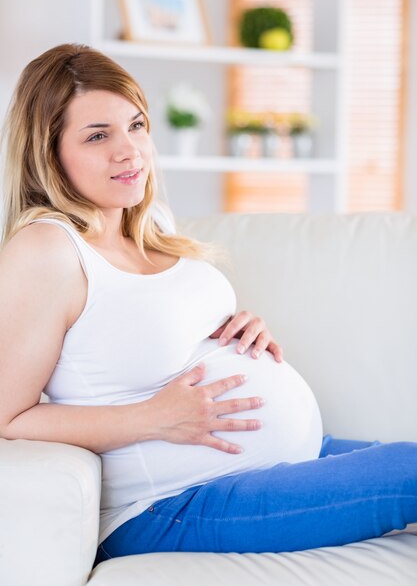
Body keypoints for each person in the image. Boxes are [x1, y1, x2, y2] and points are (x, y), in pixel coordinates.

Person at [0, 44, 416, 564]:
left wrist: (241, 330)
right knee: (411, 471)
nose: (130, 151)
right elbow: (8, 416)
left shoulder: (151, 225)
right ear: (48, 152)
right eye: (97, 136)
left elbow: (151, 332)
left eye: (137, 125)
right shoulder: (47, 250)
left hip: (265, 465)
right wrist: (153, 419)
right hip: (169, 504)